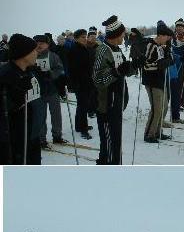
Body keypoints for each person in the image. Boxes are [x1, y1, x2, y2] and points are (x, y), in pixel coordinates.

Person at [93, 15, 136, 164]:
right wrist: (116, 72)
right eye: (123, 33)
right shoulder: (102, 50)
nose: (125, 36)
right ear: (116, 34)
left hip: (117, 102)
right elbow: (97, 80)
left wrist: (135, 65)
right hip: (107, 106)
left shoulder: (117, 49)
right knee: (110, 143)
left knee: (115, 142)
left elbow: (124, 70)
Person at [0, 33, 42, 164]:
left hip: (32, 134)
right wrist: (16, 100)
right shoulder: (6, 75)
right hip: (15, 141)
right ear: (24, 53)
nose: (37, 53)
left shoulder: (29, 72)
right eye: (34, 50)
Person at [141, 21, 174, 143]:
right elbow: (145, 65)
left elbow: (163, 61)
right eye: (167, 37)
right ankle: (149, 134)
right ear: (161, 35)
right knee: (157, 108)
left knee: (164, 106)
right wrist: (160, 64)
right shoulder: (151, 45)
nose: (168, 40)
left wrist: (168, 60)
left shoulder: (161, 47)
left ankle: (157, 131)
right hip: (152, 81)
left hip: (161, 80)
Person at [33, 35, 66, 148]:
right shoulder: (32, 56)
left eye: (42, 43)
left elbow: (60, 69)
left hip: (52, 90)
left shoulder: (53, 56)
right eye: (37, 42)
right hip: (38, 93)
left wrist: (50, 74)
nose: (40, 45)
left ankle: (57, 136)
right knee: (40, 116)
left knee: (56, 115)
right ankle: (41, 139)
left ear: (47, 44)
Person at [67, 28, 93, 139]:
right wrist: (75, 83)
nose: (85, 39)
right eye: (82, 37)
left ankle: (79, 126)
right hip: (81, 83)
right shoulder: (75, 49)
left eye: (85, 36)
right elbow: (74, 69)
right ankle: (83, 129)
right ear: (76, 38)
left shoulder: (82, 47)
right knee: (83, 106)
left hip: (85, 81)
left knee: (82, 105)